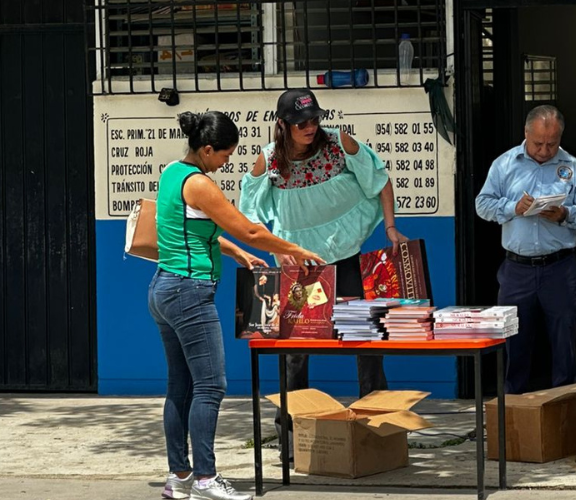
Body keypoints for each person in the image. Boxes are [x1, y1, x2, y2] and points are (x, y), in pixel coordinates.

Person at [149, 111, 324, 500]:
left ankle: (179, 478)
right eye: (225, 155)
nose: (227, 162)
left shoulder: (172, 174)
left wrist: (239, 256)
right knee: (211, 385)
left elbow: (194, 231)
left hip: (164, 289)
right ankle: (207, 480)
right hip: (190, 293)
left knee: (181, 386)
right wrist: (292, 249)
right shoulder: (199, 184)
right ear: (207, 149)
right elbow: (249, 228)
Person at [239, 88, 408, 443]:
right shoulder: (268, 160)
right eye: (301, 122)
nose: (310, 126)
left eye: (314, 119)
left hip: (344, 255)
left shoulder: (339, 144)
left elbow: (381, 181)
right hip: (299, 268)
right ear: (283, 124)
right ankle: (290, 434)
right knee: (294, 351)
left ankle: (379, 429)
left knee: (366, 341)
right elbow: (248, 216)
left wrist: (391, 227)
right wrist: (276, 247)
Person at [476, 105, 576, 393]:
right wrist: (512, 208)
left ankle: (563, 410)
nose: (545, 150)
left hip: (560, 268)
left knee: (564, 342)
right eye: (538, 143)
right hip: (517, 269)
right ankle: (515, 411)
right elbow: (482, 204)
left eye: (552, 143)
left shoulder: (573, 167)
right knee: (514, 343)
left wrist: (566, 215)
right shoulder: (504, 164)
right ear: (526, 133)